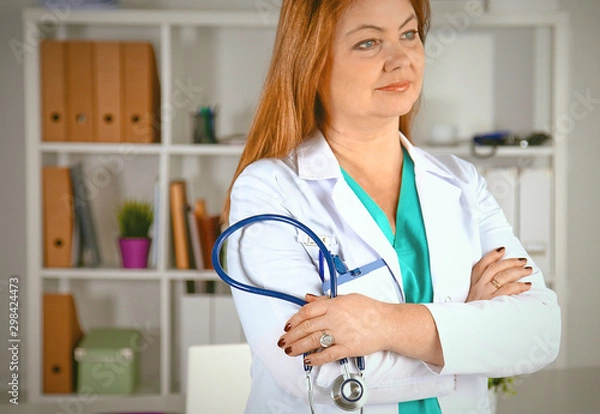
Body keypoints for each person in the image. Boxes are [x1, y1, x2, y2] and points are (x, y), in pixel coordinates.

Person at [223, 0, 561, 412]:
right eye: (368, 43)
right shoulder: (267, 189)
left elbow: (539, 333)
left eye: (409, 34)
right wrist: (467, 333)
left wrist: (380, 324)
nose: (400, 59)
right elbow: (313, 372)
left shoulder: (460, 182)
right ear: (312, 61)